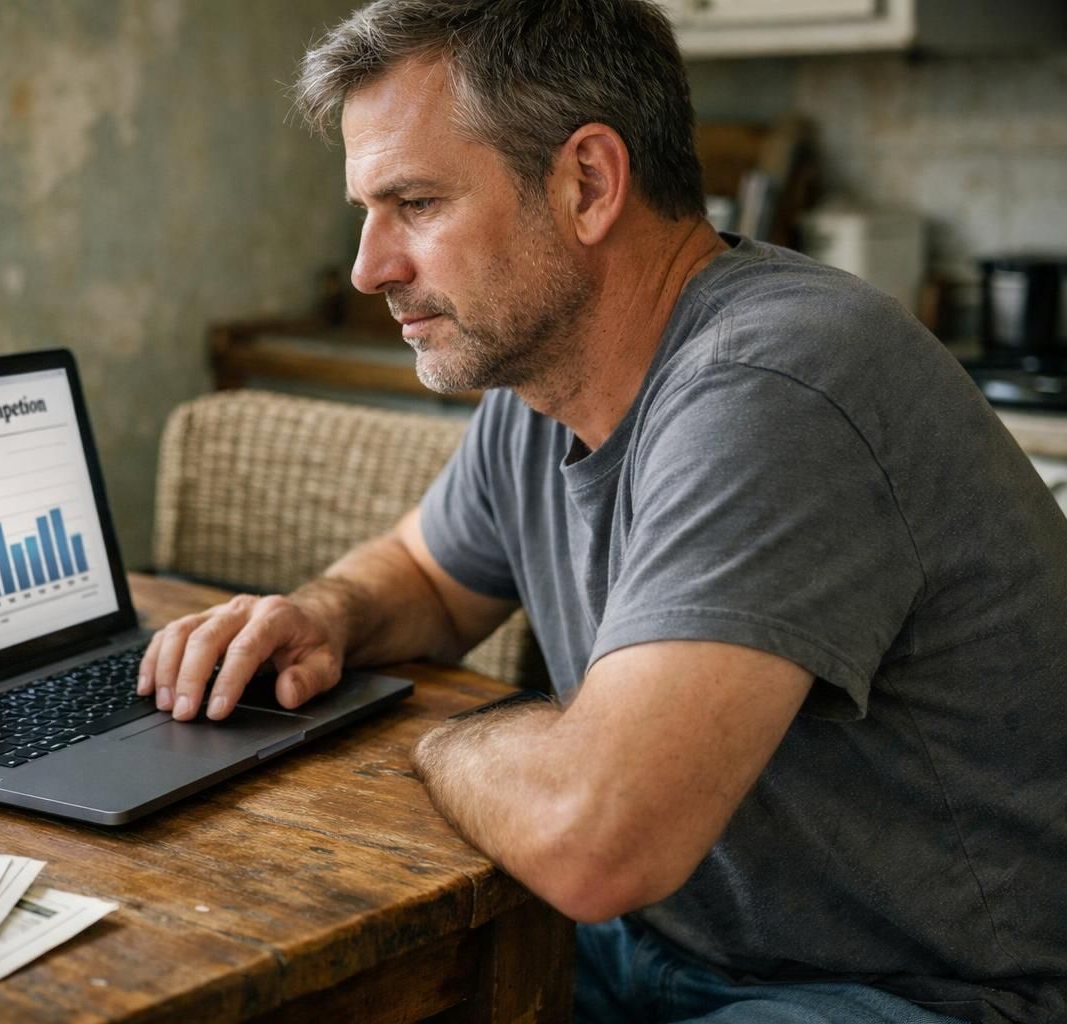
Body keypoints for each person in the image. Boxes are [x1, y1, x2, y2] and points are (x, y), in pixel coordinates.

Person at [137, 2, 1067, 1021]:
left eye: (415, 203)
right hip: (662, 946)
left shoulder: (779, 384)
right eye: (369, 210)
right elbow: (423, 576)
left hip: (927, 994)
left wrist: (439, 741)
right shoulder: (546, 380)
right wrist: (328, 613)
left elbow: (596, 836)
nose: (370, 267)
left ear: (587, 183)